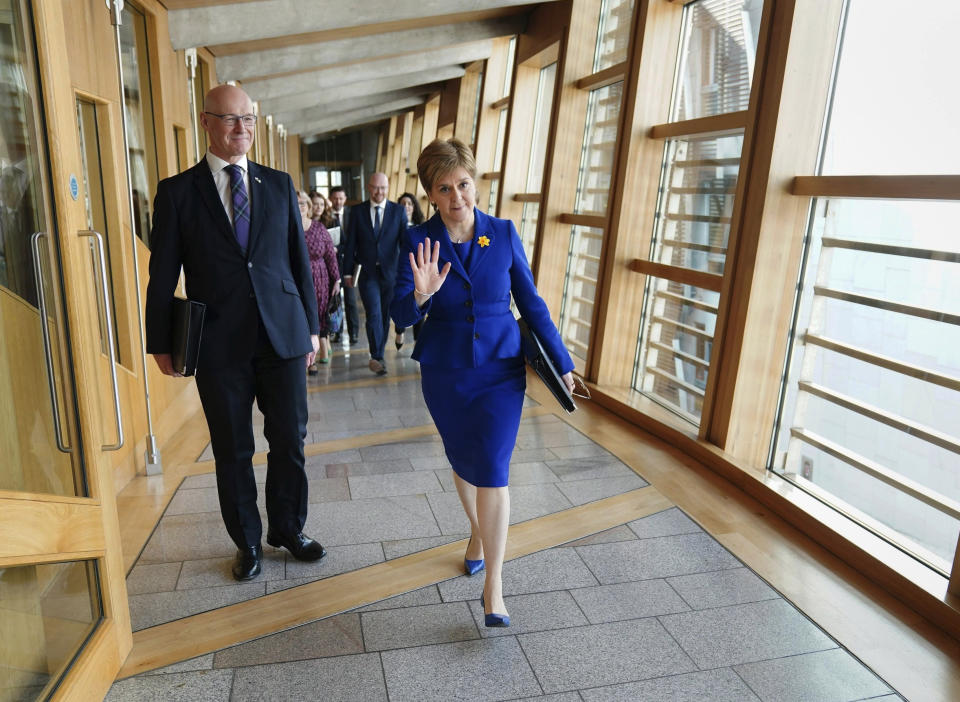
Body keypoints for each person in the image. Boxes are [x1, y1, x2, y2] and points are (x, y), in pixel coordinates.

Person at [390, 138, 575, 627]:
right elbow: (398, 309)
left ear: (476, 182)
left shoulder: (504, 233)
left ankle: (494, 584)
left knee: (493, 466)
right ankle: (477, 534)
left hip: (500, 368)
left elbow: (532, 303)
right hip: (446, 372)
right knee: (465, 461)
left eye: (464, 185)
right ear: (431, 193)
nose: (457, 197)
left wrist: (564, 361)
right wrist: (422, 298)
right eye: (445, 188)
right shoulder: (417, 240)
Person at [145, 84, 327, 582]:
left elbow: (297, 261)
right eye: (230, 120)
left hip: (283, 335)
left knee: (290, 438)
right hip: (219, 341)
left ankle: (289, 528)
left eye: (247, 119)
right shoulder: (178, 192)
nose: (241, 129)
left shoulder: (279, 183)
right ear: (206, 122)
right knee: (232, 448)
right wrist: (160, 340)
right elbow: (162, 273)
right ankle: (247, 540)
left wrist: (312, 327)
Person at [342, 172, 405, 375]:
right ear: (369, 188)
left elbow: (405, 245)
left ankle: (379, 354)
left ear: (388, 189)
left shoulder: (398, 211)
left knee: (386, 316)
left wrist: (408, 273)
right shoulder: (357, 211)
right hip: (368, 273)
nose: (379, 192)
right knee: (374, 314)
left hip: (391, 273)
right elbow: (350, 243)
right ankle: (376, 356)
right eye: (376, 188)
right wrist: (347, 273)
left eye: (383, 188)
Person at [299, 190, 340, 373]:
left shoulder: (318, 228)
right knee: (302, 318)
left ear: (308, 207)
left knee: (319, 317)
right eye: (296, 202)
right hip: (297, 281)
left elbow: (331, 256)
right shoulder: (287, 228)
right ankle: (308, 359)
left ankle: (316, 353)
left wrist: (336, 280)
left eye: (302, 203)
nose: (299, 206)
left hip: (320, 280)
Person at [393, 192, 425, 350]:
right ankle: (400, 331)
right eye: (403, 203)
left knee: (420, 304)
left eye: (409, 204)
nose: (406, 207)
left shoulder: (421, 226)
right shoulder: (394, 225)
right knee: (403, 301)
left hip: (419, 271)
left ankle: (419, 342)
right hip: (400, 271)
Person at [328, 185, 358, 345]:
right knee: (336, 301)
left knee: (351, 300)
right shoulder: (326, 217)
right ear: (331, 198)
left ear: (345, 199)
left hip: (349, 264)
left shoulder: (352, 215)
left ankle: (354, 333)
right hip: (332, 264)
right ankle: (337, 332)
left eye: (341, 198)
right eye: (335, 198)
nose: (338, 201)